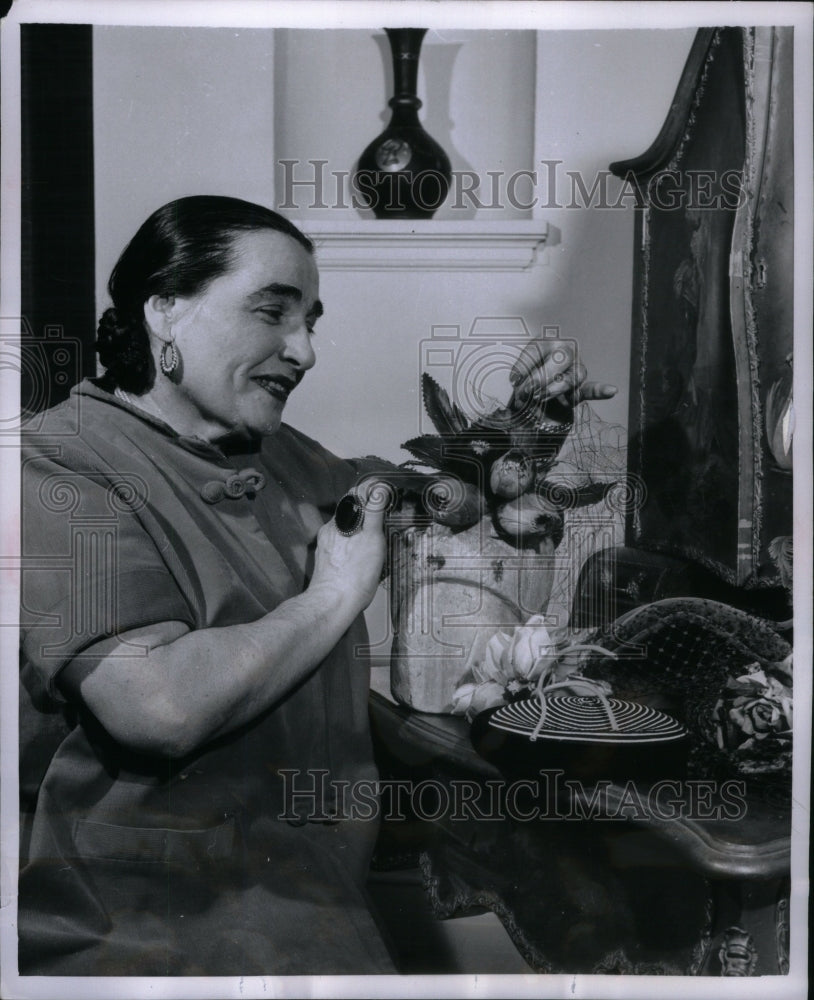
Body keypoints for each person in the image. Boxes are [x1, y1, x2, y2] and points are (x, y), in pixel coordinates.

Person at [18, 195, 615, 976]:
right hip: (152, 926)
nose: (304, 350)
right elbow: (153, 706)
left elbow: (436, 494)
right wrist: (333, 595)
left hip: (306, 890)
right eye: (273, 313)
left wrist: (527, 426)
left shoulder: (273, 452)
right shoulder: (60, 462)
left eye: (311, 321)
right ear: (164, 310)